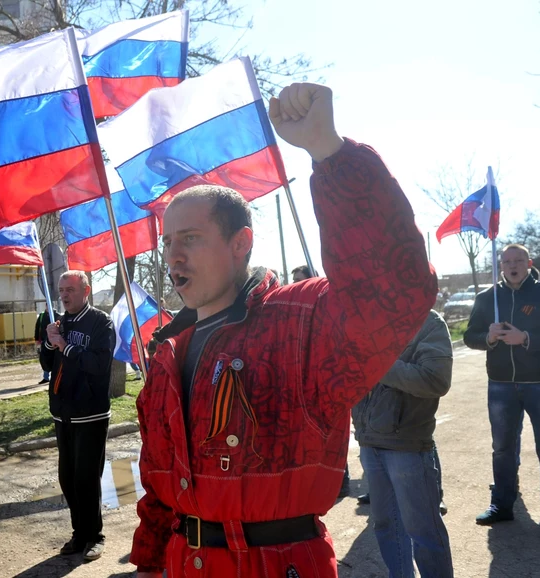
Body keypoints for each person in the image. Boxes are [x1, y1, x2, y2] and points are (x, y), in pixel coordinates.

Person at [131, 82, 437, 577]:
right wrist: (148, 561)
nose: (173, 257)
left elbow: (393, 290)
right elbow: (159, 476)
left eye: (190, 239)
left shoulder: (297, 321)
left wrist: (329, 153)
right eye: (169, 243)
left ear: (240, 243)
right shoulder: (168, 352)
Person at [465, 244, 540, 537]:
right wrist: (487, 337)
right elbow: (469, 336)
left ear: (529, 263)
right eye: (507, 261)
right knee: (502, 450)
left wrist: (525, 338)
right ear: (501, 265)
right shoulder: (488, 297)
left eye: (518, 260)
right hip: (500, 385)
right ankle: (502, 505)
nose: (513, 265)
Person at [352, 310, 454, 577]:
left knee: (424, 532)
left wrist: (377, 364)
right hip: (368, 442)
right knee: (385, 526)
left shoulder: (427, 322)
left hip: (407, 446)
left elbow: (436, 380)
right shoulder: (364, 321)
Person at [43, 270, 115, 562]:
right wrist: (49, 342)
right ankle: (79, 532)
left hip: (91, 412)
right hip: (64, 412)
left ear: (86, 290)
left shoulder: (100, 322)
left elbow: (99, 364)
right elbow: (46, 363)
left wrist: (66, 346)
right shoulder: (58, 322)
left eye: (70, 289)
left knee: (87, 477)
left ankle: (95, 535)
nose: (64, 295)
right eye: (61, 290)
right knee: (67, 477)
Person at [293, 263, 352, 499]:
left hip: (326, 378)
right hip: (303, 380)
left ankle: (342, 480)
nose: (296, 283)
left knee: (332, 432)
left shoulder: (325, 307)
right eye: (294, 279)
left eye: (300, 279)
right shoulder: (295, 309)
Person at [35, 307, 58, 385]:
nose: (48, 307)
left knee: (55, 359)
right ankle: (46, 377)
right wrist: (37, 339)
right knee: (44, 359)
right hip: (43, 340)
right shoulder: (42, 316)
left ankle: (55, 377)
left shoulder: (57, 315)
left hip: (54, 342)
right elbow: (38, 327)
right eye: (46, 305)